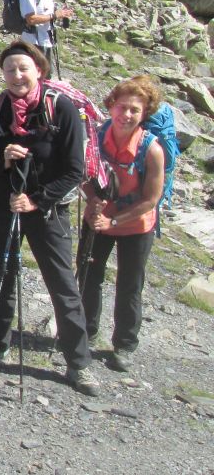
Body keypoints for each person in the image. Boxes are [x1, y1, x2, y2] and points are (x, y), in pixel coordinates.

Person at [0, 40, 98, 396]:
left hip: (47, 210)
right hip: (4, 206)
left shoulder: (62, 108)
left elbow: (74, 170)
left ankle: (79, 363)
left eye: (23, 68)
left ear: (38, 70)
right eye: (10, 69)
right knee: (0, 277)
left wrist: (37, 200)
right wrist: (3, 160)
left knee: (62, 284)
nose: (17, 75)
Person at [81, 76, 165, 373]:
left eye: (134, 110)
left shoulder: (151, 150)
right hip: (97, 217)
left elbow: (150, 199)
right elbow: (84, 174)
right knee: (88, 275)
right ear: (111, 106)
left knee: (130, 284)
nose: (126, 115)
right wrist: (92, 200)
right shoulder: (96, 137)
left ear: (144, 114)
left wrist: (113, 220)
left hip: (135, 225)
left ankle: (124, 344)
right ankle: (86, 331)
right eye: (122, 107)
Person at [20, 0, 73, 76]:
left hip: (46, 41)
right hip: (32, 42)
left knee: (45, 76)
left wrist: (61, 14)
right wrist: (54, 15)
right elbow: (31, 19)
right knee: (35, 76)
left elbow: (47, 16)